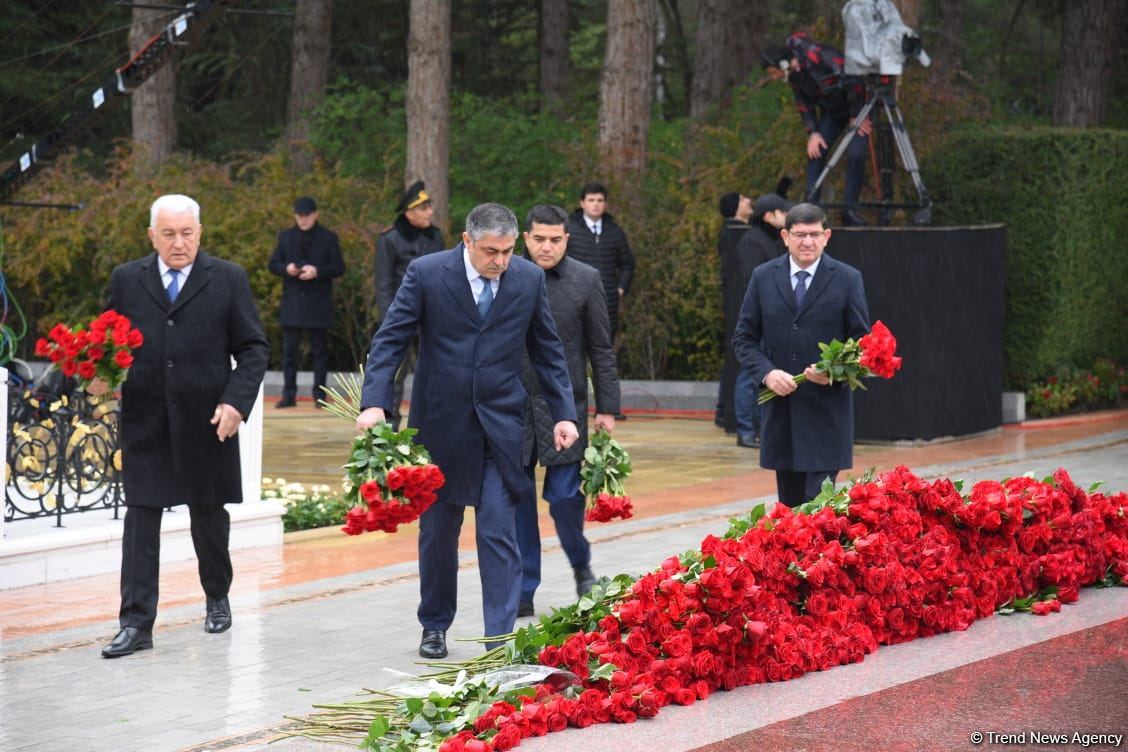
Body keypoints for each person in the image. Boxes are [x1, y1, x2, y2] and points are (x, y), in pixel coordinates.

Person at [356, 202, 578, 660]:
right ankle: (434, 624)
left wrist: (565, 414)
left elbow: (548, 351)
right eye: (491, 251)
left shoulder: (527, 279)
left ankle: (498, 637)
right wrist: (376, 402)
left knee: (498, 533)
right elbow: (391, 339)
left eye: (508, 250)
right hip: (439, 430)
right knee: (438, 535)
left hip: (502, 429)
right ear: (466, 241)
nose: (500, 261)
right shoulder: (426, 273)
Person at [100, 194, 269, 658]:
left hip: (207, 420)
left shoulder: (228, 279)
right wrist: (102, 376)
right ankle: (136, 623)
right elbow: (108, 341)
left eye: (187, 233)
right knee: (140, 518)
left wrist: (236, 403)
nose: (179, 243)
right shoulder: (127, 279)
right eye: (169, 234)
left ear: (200, 232)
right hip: (147, 419)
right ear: (152, 235)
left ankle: (217, 595)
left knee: (209, 517)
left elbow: (254, 349)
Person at [514, 205, 620, 617]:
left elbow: (601, 348)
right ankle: (524, 587)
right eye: (539, 239)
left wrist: (607, 408)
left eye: (555, 240)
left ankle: (581, 565)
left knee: (562, 497)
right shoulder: (508, 276)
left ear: (566, 240)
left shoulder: (585, 280)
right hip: (515, 406)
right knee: (518, 498)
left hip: (565, 407)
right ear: (526, 238)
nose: (546, 247)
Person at [733, 203, 870, 508]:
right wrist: (768, 373)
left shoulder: (847, 279)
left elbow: (863, 343)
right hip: (782, 414)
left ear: (827, 236)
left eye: (814, 234)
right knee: (790, 509)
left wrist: (834, 372)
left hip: (826, 414)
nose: (807, 241)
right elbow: (744, 338)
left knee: (818, 510)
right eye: (799, 234)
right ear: (785, 236)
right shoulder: (764, 277)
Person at [761, 33, 871, 226]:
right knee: (815, 152)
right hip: (832, 113)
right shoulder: (795, 76)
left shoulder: (819, 55)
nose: (774, 77)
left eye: (773, 72)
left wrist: (856, 114)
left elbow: (853, 80)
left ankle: (850, 209)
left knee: (856, 154)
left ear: (782, 63)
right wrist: (813, 132)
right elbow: (803, 104)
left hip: (857, 109)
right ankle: (811, 211)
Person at [374, 180, 446, 429]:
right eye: (424, 208)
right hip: (399, 319)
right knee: (394, 376)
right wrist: (388, 324)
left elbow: (444, 278)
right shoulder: (390, 238)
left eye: (429, 207)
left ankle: (428, 426)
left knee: (431, 375)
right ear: (409, 211)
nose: (430, 212)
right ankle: (390, 427)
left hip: (430, 319)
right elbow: (383, 284)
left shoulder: (434, 236)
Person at [730, 193, 793, 448]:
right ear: (770, 216)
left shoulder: (770, 240)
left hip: (774, 317)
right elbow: (752, 282)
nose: (788, 218)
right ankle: (745, 429)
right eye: (784, 213)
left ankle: (756, 427)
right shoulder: (753, 241)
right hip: (760, 317)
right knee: (750, 374)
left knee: (760, 375)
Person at [268, 196, 345, 408]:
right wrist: (287, 269)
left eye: (307, 215)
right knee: (289, 352)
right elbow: (273, 264)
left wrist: (317, 271)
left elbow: (339, 267)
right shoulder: (286, 237)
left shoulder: (329, 238)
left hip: (318, 302)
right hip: (293, 302)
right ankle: (288, 395)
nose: (303, 220)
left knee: (319, 352)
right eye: (299, 215)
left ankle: (320, 396)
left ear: (315, 215)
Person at [716, 191, 754, 432]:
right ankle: (735, 417)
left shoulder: (736, 233)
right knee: (739, 361)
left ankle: (723, 410)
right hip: (737, 303)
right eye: (743, 199)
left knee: (733, 359)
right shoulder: (734, 234)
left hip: (735, 302)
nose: (749, 201)